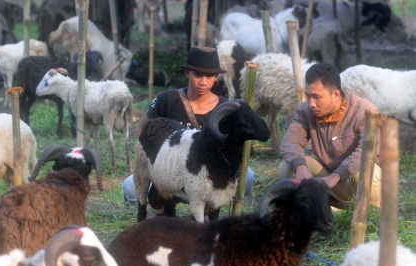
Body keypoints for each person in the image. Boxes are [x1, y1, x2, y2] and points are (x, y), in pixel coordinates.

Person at [122, 46, 255, 213]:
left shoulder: (226, 108)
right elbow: (141, 132)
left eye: (209, 76)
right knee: (130, 188)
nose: (203, 82)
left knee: (247, 176)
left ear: (216, 77)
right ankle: (163, 210)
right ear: (187, 73)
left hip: (209, 171)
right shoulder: (166, 99)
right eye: (197, 75)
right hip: (170, 168)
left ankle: (209, 209)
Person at [278, 62, 382, 208]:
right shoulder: (306, 110)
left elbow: (366, 153)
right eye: (308, 96)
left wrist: (336, 176)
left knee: (369, 172)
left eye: (316, 97)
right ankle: (318, 209)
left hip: (354, 185)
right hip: (328, 182)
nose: (311, 103)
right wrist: (300, 167)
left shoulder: (366, 111)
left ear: (336, 94)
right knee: (287, 166)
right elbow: (290, 142)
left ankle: (370, 219)